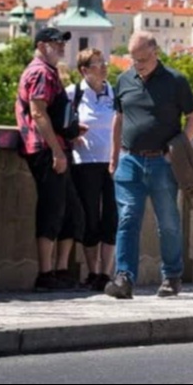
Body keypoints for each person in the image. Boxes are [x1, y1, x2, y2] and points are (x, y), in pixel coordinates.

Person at [105, 30, 193, 300]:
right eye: (134, 59)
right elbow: (118, 120)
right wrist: (114, 157)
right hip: (129, 160)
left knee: (168, 222)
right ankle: (124, 278)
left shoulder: (175, 81)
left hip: (162, 161)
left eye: (143, 59)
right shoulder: (123, 79)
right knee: (127, 219)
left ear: (155, 52)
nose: (138, 64)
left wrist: (178, 148)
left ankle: (171, 276)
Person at [16, 25, 82, 291]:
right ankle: (45, 274)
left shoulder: (49, 71)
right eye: (57, 44)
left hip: (54, 146)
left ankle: (61, 271)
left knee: (71, 212)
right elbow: (39, 113)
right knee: (52, 210)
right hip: (45, 150)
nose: (62, 48)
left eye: (63, 44)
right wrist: (56, 151)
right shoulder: (41, 72)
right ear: (42, 46)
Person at [67, 48, 119, 291]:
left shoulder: (114, 93)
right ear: (84, 70)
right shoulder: (73, 94)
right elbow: (60, 123)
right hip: (85, 162)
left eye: (103, 61)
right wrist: (72, 132)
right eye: (97, 63)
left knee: (111, 217)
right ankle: (92, 271)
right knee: (90, 218)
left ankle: (106, 274)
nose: (104, 66)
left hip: (112, 162)